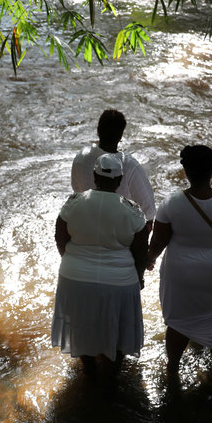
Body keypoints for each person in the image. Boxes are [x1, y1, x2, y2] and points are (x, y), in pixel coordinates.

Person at [146, 145, 212, 378]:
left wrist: (147, 261)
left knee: (178, 323)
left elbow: (158, 242)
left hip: (181, 276)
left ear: (186, 171)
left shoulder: (171, 203)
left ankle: (172, 369)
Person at [52, 153, 149, 379]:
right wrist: (140, 278)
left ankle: (89, 370)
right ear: (119, 180)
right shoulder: (132, 210)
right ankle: (111, 378)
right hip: (119, 283)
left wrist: (72, 262)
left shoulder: (73, 202)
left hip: (74, 279)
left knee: (80, 326)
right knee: (117, 330)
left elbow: (60, 238)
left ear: (95, 176)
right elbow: (140, 251)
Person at [72, 109, 156, 230]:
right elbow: (149, 212)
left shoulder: (81, 156)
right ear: (121, 135)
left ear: (98, 130)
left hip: (86, 226)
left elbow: (76, 191)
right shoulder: (129, 165)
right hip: (119, 232)